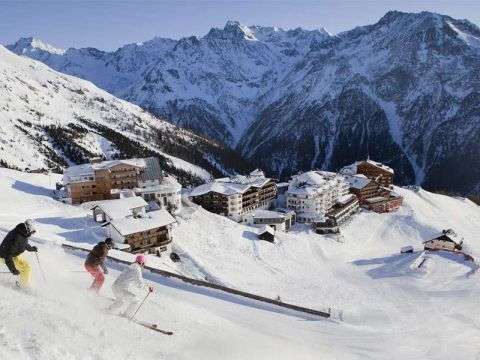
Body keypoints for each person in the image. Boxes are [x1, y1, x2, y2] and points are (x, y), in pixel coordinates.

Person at [0, 219, 38, 288]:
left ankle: (23, 284)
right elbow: (8, 256)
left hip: (13, 255)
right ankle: (22, 286)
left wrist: (31, 248)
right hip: (3, 255)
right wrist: (13, 270)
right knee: (25, 268)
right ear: (28, 228)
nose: (33, 233)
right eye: (33, 231)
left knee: (26, 267)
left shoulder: (23, 232)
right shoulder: (17, 237)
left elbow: (23, 243)